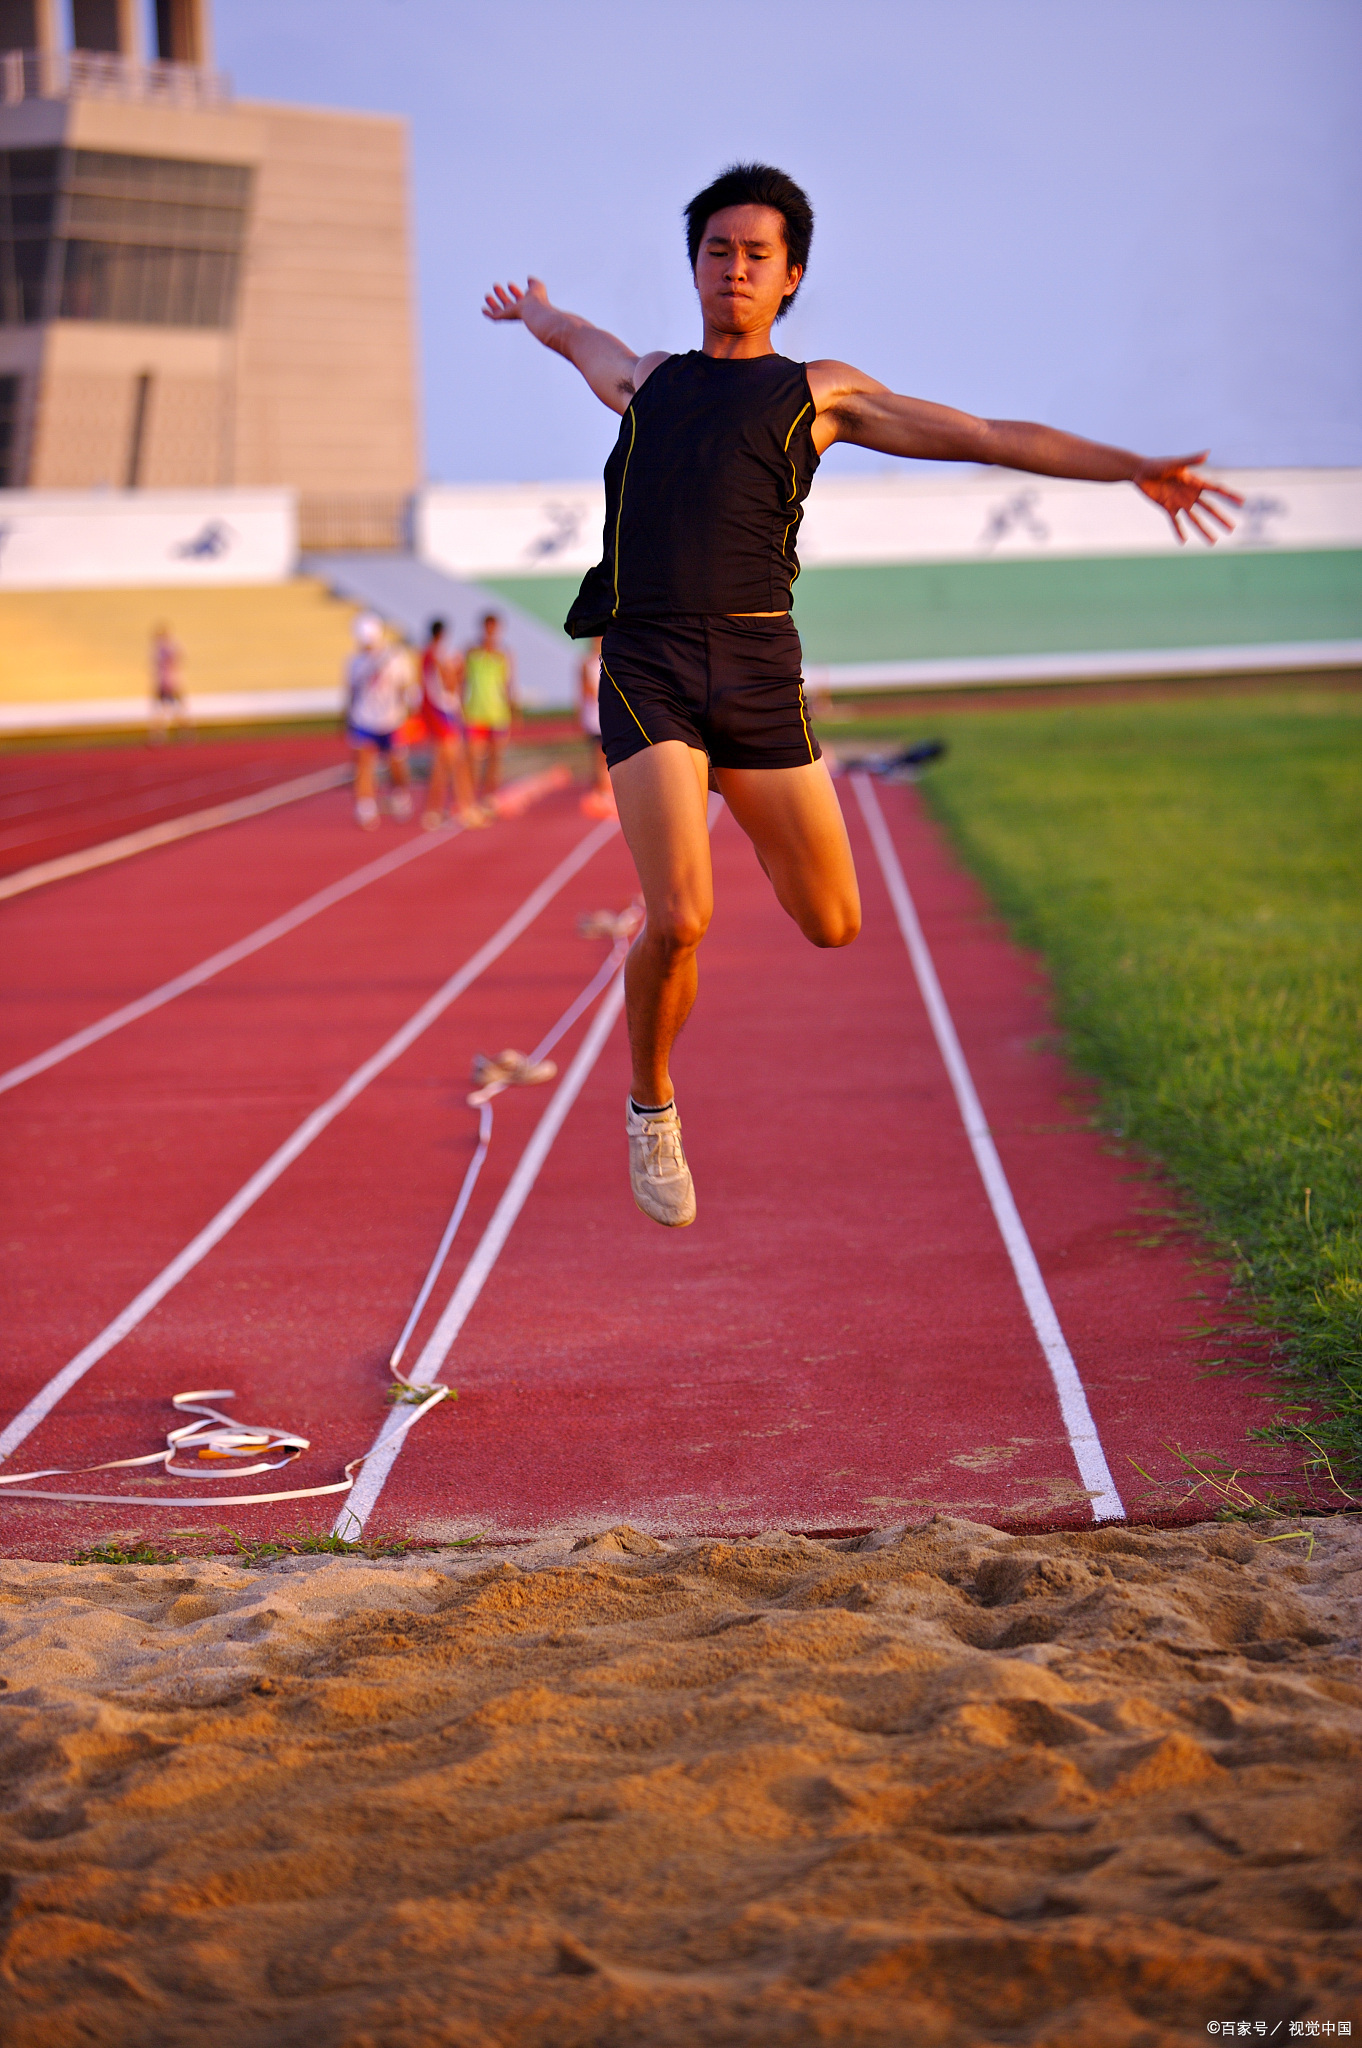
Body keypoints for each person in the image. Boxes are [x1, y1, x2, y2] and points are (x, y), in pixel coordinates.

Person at [484, 161, 1240, 1230]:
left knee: (833, 922)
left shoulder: (818, 392)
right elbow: (576, 341)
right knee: (681, 913)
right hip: (646, 664)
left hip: (756, 672)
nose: (734, 269)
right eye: (716, 251)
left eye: (756, 256)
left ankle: (744, 804)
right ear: (694, 265)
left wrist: (1129, 467)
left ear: (790, 276)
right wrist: (540, 310)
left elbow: (985, 436)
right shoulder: (649, 381)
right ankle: (651, 1102)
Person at [345, 613, 417, 829]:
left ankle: (399, 794)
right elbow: (351, 691)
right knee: (364, 764)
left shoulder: (395, 659)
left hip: (391, 720)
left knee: (396, 765)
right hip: (364, 720)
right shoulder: (355, 663)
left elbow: (406, 686)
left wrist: (409, 709)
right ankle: (366, 807)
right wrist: (347, 716)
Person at [418, 617, 481, 829]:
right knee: (457, 763)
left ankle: (433, 811)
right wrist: (459, 670)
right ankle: (466, 807)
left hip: (441, 714)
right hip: (443, 714)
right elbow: (450, 684)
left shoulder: (428, 654)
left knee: (442, 766)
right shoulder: (437, 655)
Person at [461, 612, 518, 806]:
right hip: (475, 713)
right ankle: (470, 798)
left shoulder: (503, 654)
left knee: (495, 759)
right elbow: (463, 681)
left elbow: (508, 683)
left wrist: (512, 709)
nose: (491, 632)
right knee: (473, 759)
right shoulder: (472, 652)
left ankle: (489, 796)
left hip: (497, 713)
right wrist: (461, 707)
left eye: (495, 628)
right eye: (488, 627)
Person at [578, 634, 615, 818]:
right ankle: (601, 790)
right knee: (598, 754)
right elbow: (584, 689)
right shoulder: (587, 663)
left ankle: (606, 789)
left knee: (609, 754)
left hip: (609, 714)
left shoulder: (610, 660)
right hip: (594, 716)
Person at [148, 622, 189, 742]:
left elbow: (167, 665)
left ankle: (160, 736)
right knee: (172, 709)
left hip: (168, 682)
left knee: (166, 710)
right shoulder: (168, 647)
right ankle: (183, 735)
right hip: (170, 682)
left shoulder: (162, 649)